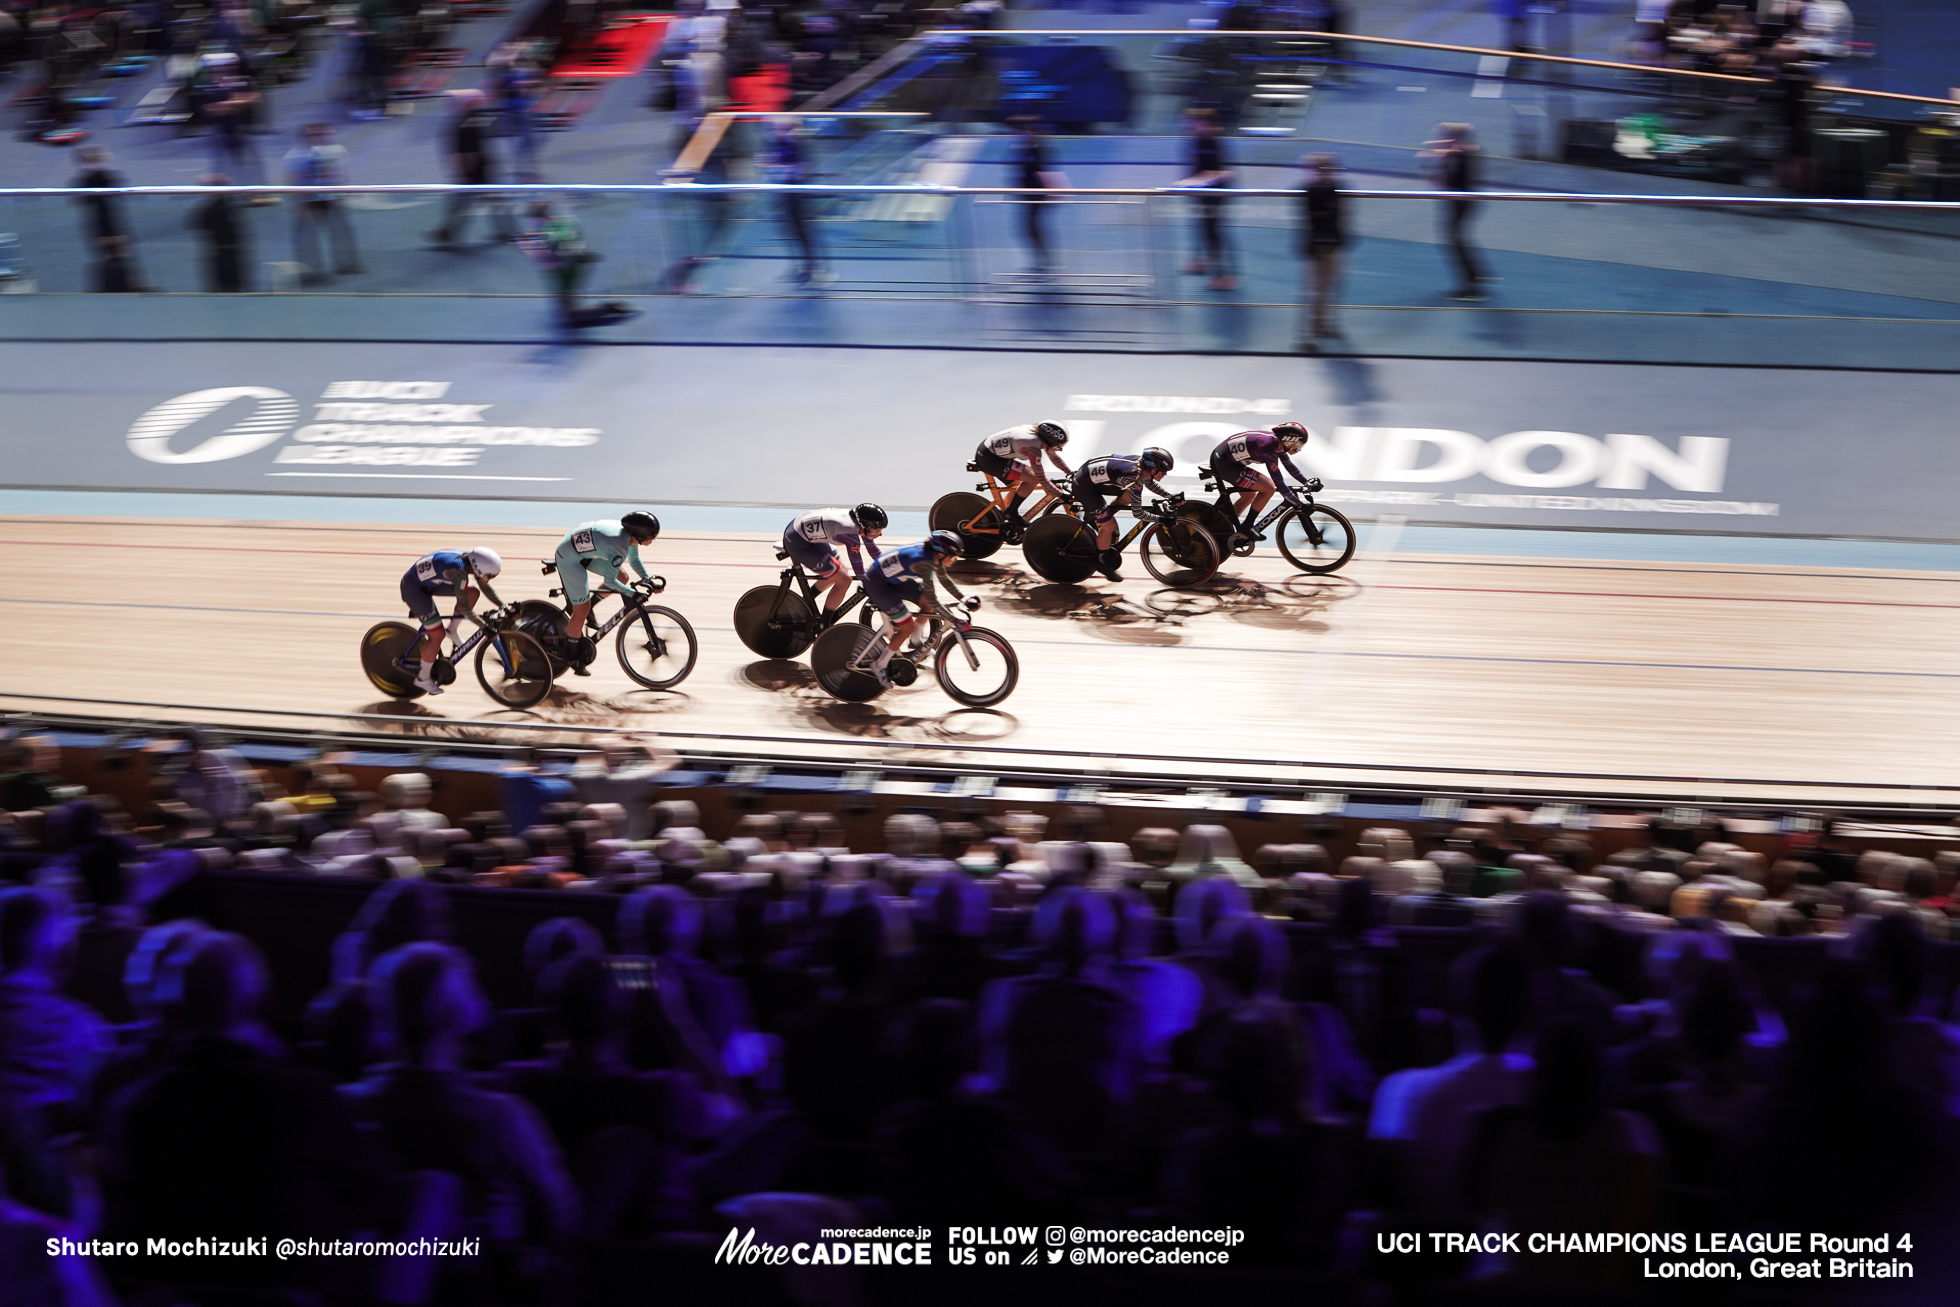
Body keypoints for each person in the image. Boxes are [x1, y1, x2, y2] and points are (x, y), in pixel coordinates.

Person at [861, 530, 977, 687]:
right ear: (941, 554)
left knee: (925, 600)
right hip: (878, 584)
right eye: (954, 557)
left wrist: (963, 598)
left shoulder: (933, 555)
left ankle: (916, 641)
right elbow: (934, 600)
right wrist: (954, 620)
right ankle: (879, 665)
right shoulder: (926, 564)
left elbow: (944, 579)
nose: (955, 560)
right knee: (906, 627)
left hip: (892, 577)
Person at [553, 514, 660, 675]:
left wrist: (647, 580)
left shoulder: (629, 535)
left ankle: (591, 606)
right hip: (569, 557)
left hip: (583, 549)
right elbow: (609, 582)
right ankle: (572, 656)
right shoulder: (619, 546)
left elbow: (635, 560)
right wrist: (633, 594)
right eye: (652, 536)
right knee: (581, 609)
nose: (654, 539)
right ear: (640, 535)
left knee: (622, 577)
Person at [398, 546, 506, 695]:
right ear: (478, 569)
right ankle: (422, 678)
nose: (489, 579)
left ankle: (452, 629)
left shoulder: (469, 559)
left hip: (430, 582)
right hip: (414, 589)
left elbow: (484, 587)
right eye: (489, 575)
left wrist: (503, 605)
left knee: (473, 593)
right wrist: (484, 626)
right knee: (437, 636)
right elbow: (465, 608)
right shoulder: (459, 571)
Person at [1070, 447, 1176, 583]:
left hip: (1091, 475)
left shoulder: (1141, 467)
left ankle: (1100, 515)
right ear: (1153, 469)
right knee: (1109, 526)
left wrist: (1169, 496)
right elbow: (1138, 513)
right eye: (1164, 472)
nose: (1165, 474)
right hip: (1085, 486)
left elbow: (1148, 482)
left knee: (1127, 497)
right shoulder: (1133, 477)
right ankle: (1102, 562)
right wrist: (1161, 519)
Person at [427, 89, 515, 249]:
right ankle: (507, 231)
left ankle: (448, 233)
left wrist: (465, 175)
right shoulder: (472, 119)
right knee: (490, 202)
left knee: (463, 204)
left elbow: (470, 152)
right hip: (483, 169)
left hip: (476, 172)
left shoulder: (465, 122)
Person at [1207, 421, 1322, 540]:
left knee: (1249, 495)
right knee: (1268, 488)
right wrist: (1299, 505)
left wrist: (1306, 482)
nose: (1298, 450)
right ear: (1287, 441)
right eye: (1297, 445)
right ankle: (1247, 526)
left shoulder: (1277, 443)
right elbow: (1279, 483)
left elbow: (1289, 466)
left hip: (1227, 460)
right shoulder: (1268, 449)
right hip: (1224, 465)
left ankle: (1224, 525)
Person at [285, 122, 362, 285]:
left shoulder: (338, 151)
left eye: (325, 134)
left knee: (341, 232)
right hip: (307, 200)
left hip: (331, 198)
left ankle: (347, 264)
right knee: (306, 236)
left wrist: (342, 191)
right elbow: (292, 179)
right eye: (315, 135)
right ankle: (309, 270)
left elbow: (342, 173)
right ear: (306, 138)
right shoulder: (295, 155)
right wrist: (297, 202)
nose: (322, 138)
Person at [1420, 122, 1487, 301]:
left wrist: (1429, 162)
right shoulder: (1466, 152)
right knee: (1458, 239)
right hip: (1463, 201)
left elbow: (1443, 184)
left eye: (1447, 135)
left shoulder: (1459, 154)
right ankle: (1477, 275)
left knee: (1455, 240)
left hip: (1460, 202)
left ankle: (1472, 286)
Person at [782, 504, 887, 619]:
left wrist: (887, 565)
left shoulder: (859, 521)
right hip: (797, 542)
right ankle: (824, 623)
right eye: (877, 530)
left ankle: (804, 602)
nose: (880, 534)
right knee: (844, 580)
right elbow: (857, 564)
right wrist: (868, 582)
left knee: (840, 572)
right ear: (864, 526)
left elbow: (872, 549)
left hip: (801, 529)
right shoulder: (849, 533)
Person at [973, 421, 1074, 529]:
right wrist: (1062, 496)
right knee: (1032, 478)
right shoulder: (1032, 447)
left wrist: (1069, 472)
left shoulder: (1037, 434)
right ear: (1050, 441)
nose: (1060, 449)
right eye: (1058, 446)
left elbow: (1053, 456)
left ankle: (1003, 517)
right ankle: (1011, 513)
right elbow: (1041, 478)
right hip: (991, 459)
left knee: (1018, 485)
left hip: (990, 451)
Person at [761, 116, 825, 285]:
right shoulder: (774, 144)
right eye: (776, 129)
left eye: (783, 128)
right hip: (781, 196)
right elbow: (766, 165)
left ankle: (810, 267)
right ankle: (798, 266)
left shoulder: (800, 145)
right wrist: (779, 170)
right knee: (788, 231)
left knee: (804, 232)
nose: (777, 132)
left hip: (799, 198)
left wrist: (783, 171)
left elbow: (804, 170)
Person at [1176, 109, 1235, 291]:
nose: (1190, 126)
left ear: (1205, 124)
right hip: (1200, 193)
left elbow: (1221, 172)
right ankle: (1202, 260)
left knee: (1214, 232)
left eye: (1194, 122)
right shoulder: (1196, 140)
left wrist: (1189, 182)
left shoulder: (1212, 142)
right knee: (1201, 226)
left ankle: (1224, 275)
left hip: (1215, 195)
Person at [70, 147, 143, 293]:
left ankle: (117, 284)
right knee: (114, 255)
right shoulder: (98, 178)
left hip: (107, 221)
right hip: (104, 222)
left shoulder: (90, 179)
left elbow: (81, 199)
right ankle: (120, 284)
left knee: (114, 255)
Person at [1007, 116, 1064, 274]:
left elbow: (1044, 172)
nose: (1026, 134)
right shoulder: (1024, 149)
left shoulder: (1039, 150)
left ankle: (1045, 261)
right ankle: (1043, 261)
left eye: (1030, 131)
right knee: (1030, 229)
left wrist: (1052, 193)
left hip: (1037, 195)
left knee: (1032, 228)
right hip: (1026, 196)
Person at [1300, 153, 1346, 345]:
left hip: (1332, 242)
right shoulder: (1313, 189)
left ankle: (1322, 323)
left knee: (1331, 285)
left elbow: (1341, 215)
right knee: (1318, 288)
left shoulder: (1337, 188)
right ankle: (1312, 328)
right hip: (1320, 245)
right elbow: (1312, 218)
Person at [186, 174, 248, 292]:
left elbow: (196, 222)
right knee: (233, 282)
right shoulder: (229, 204)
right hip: (232, 250)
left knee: (223, 283)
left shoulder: (213, 207)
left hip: (220, 251)